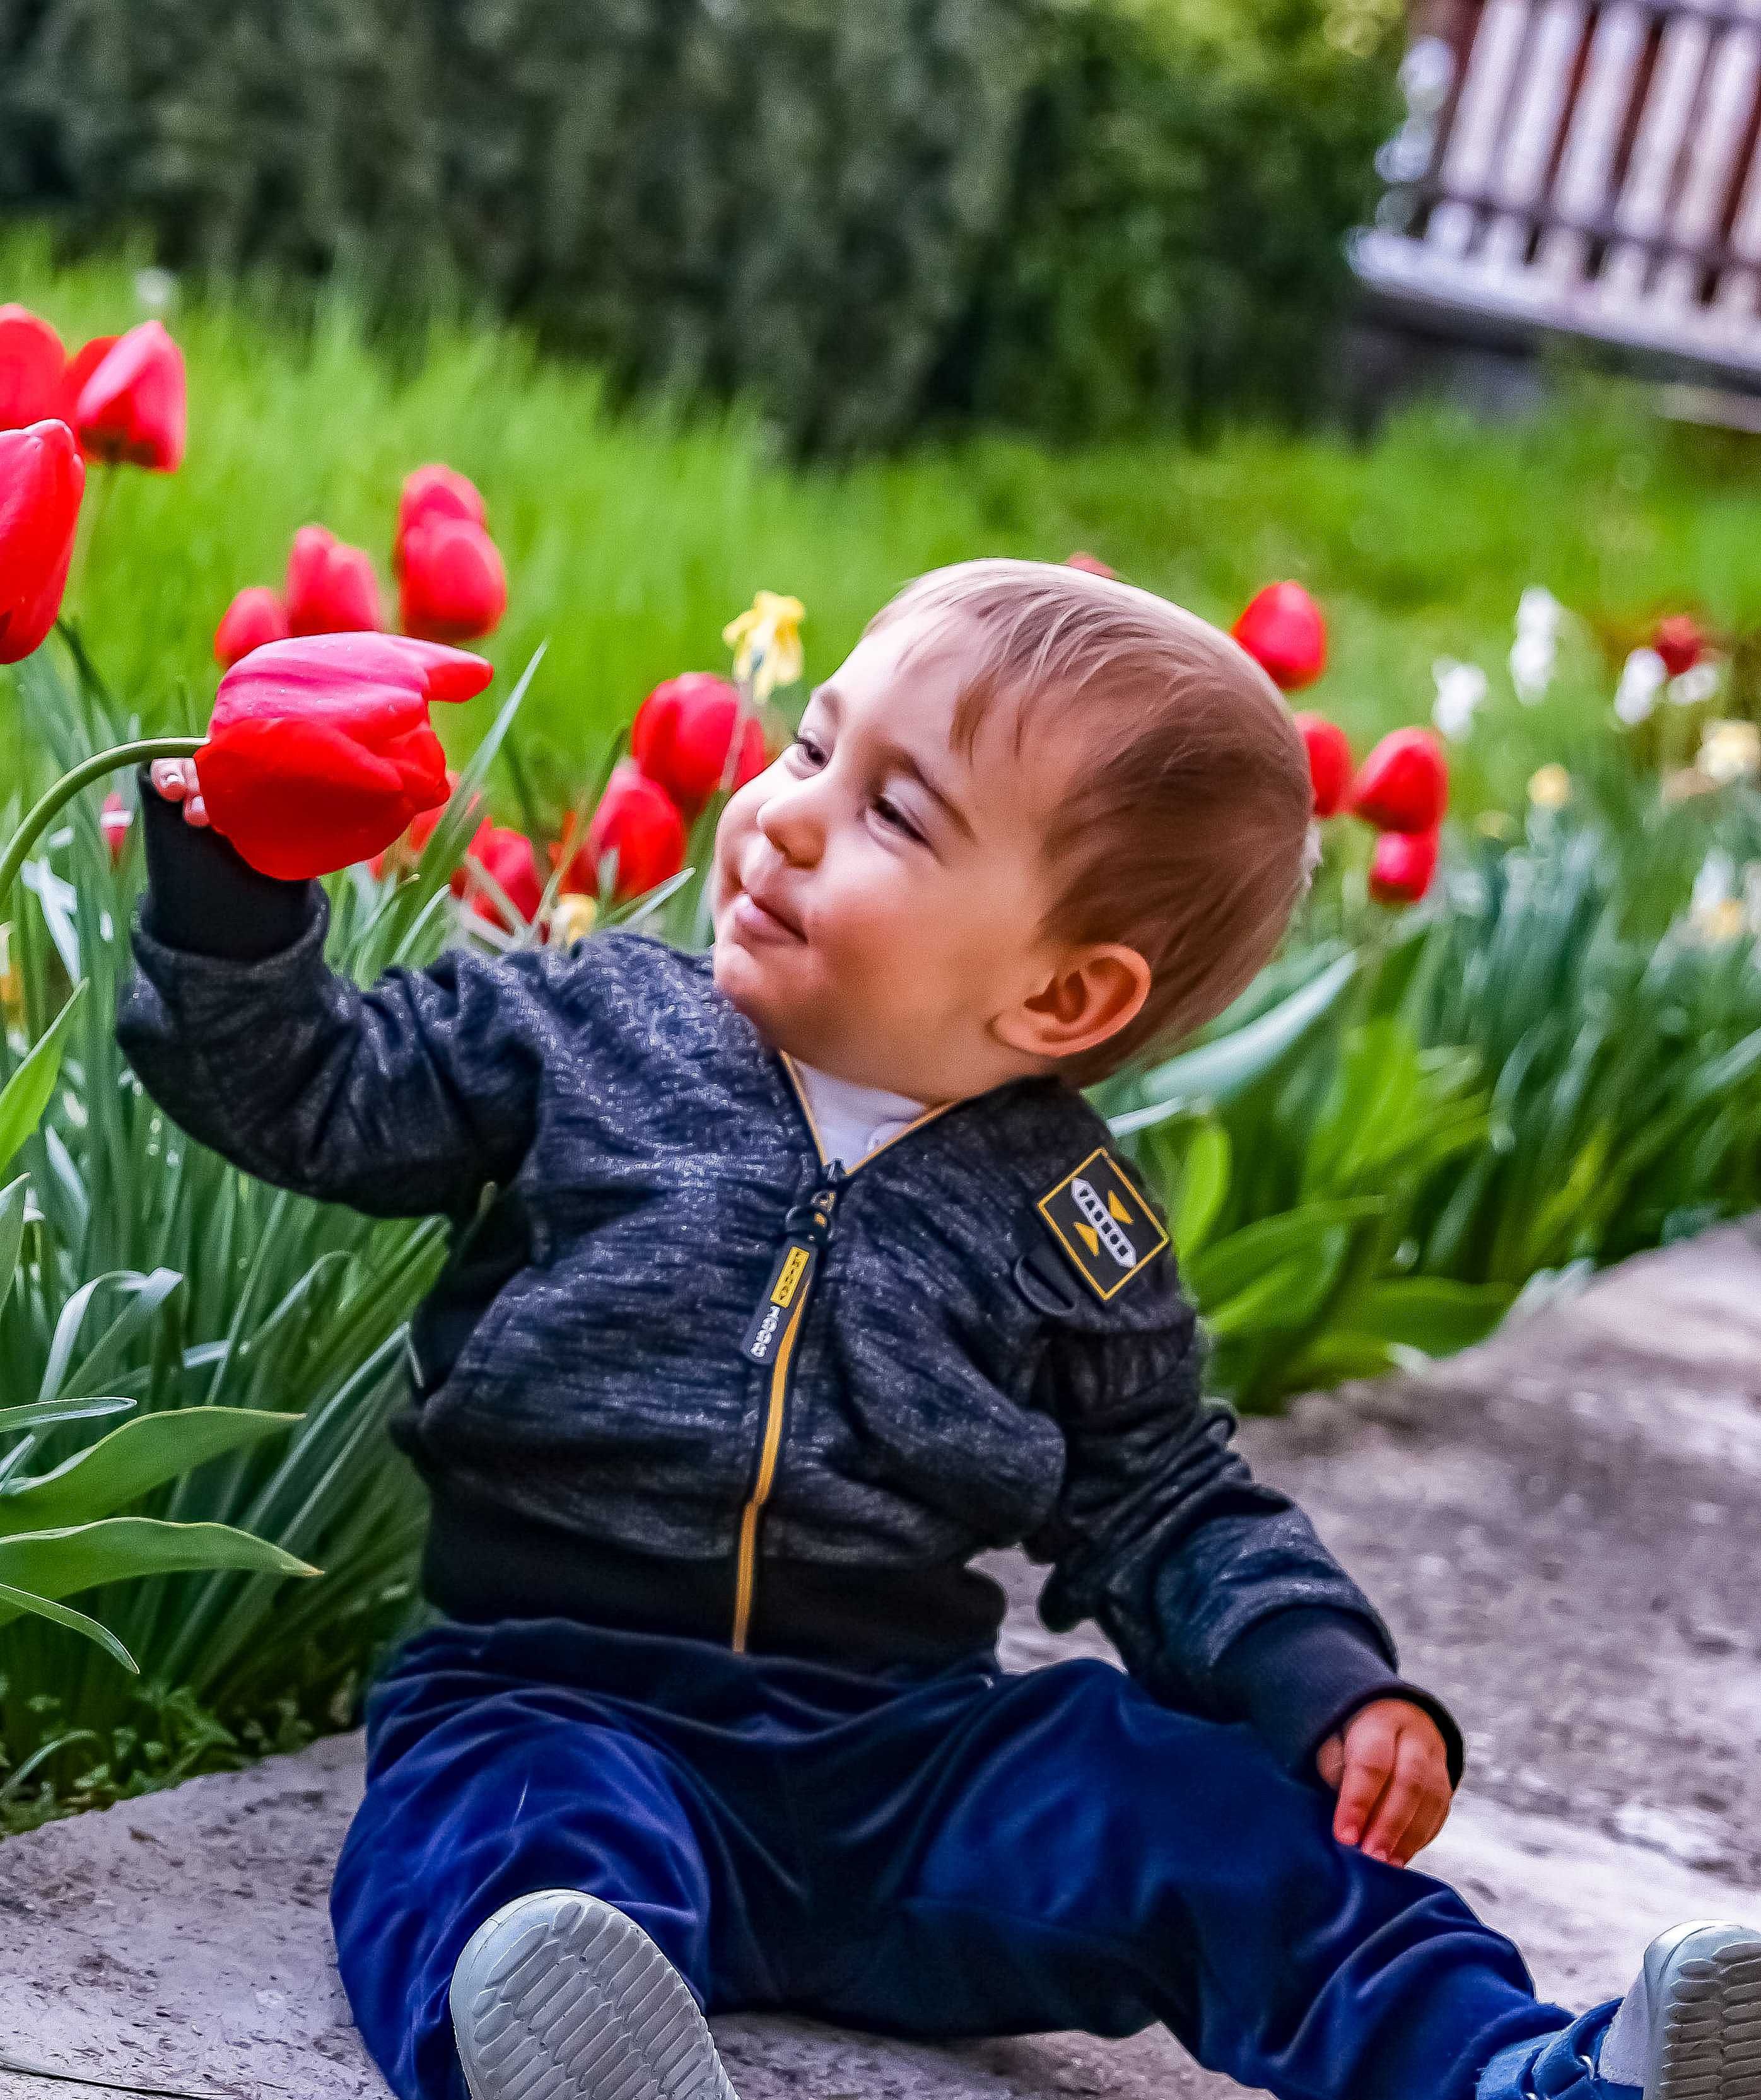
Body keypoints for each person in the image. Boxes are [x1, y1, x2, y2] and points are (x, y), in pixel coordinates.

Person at [117, 559, 1758, 2100]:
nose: (783, 816)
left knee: (1208, 1821)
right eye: (812, 744)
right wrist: (235, 896)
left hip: (904, 1754)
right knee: (497, 1851)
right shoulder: (578, 1033)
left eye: (890, 811)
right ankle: (566, 2052)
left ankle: (1521, 2068)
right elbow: (310, 1089)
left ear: (1062, 998)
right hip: (558, 1685)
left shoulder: (1068, 1221)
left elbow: (1165, 1494)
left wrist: (1318, 1677)